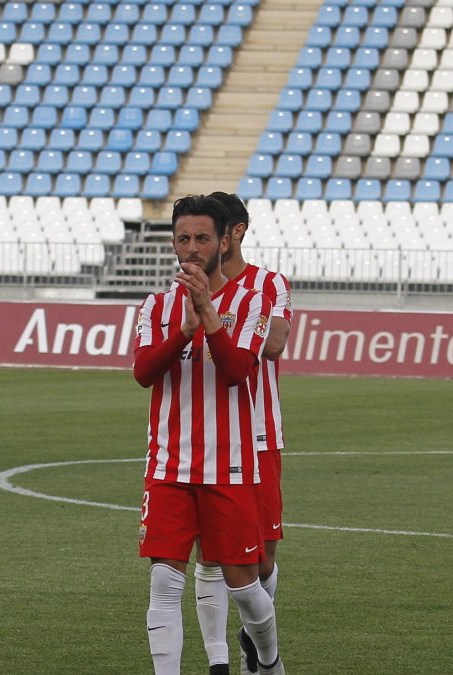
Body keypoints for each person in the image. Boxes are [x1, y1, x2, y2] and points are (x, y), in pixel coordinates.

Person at [133, 195, 286, 675]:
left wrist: (210, 318)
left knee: (246, 583)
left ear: (224, 240)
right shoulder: (156, 306)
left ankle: (267, 659)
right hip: (168, 466)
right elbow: (142, 372)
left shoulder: (253, 300)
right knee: (163, 582)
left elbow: (241, 369)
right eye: (183, 239)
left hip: (233, 464)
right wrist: (183, 330)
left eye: (201, 238)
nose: (192, 249)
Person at [191, 192, 294, 675]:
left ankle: (255, 637)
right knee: (211, 557)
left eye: (218, 230)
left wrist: (222, 319)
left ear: (237, 232)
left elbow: (273, 345)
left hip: (259, 434)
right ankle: (221, 661)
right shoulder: (190, 288)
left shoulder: (269, 284)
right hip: (209, 439)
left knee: (262, 560)